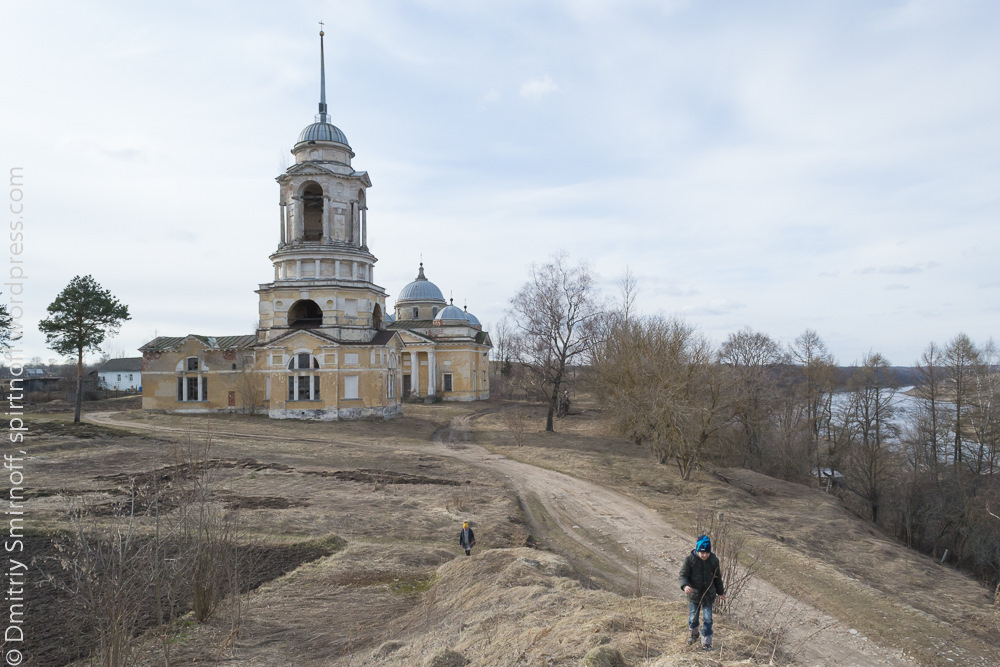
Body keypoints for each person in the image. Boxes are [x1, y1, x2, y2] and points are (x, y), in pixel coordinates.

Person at [679, 535, 725, 651]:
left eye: (707, 553)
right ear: (697, 550)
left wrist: (720, 592)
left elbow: (717, 578)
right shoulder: (689, 560)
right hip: (694, 595)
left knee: (708, 619)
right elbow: (683, 575)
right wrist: (685, 586)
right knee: (693, 618)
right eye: (702, 552)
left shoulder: (714, 561)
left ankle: (706, 643)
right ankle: (694, 635)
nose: (704, 555)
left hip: (709, 596)